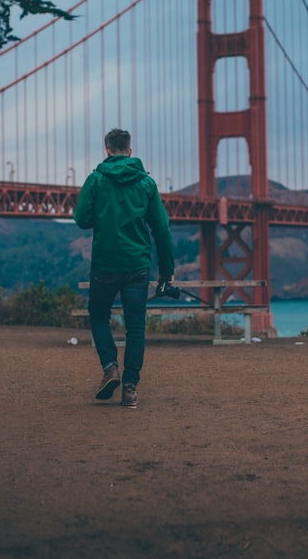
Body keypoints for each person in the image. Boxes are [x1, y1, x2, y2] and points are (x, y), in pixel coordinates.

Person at [74, 128, 175, 408]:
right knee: (135, 327)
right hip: (137, 266)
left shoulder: (95, 180)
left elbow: (82, 219)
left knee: (98, 316)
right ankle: (130, 389)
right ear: (130, 151)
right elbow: (162, 229)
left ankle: (110, 368)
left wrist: (103, 213)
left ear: (106, 150)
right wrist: (166, 271)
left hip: (105, 264)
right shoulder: (146, 183)